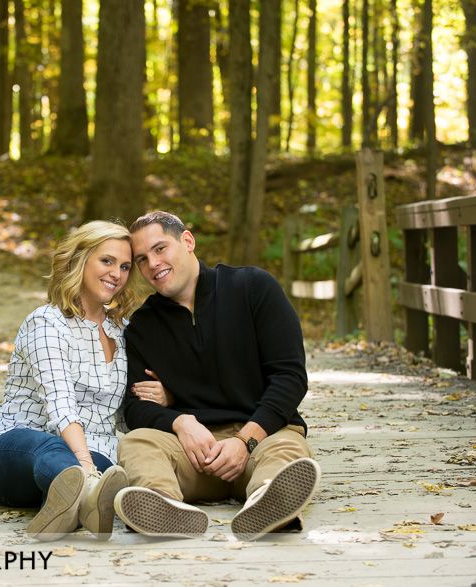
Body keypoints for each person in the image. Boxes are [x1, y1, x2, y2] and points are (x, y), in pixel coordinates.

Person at [114, 211, 321, 541]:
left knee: (285, 451)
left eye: (160, 249)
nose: (152, 264)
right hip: (196, 451)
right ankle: (163, 508)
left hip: (262, 437)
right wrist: (180, 422)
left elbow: (290, 376)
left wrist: (245, 440)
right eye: (141, 259)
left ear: (187, 241)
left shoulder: (252, 288)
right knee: (137, 443)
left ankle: (268, 501)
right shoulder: (143, 327)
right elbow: (134, 408)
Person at [0, 221, 150, 541]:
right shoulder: (47, 323)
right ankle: (85, 495)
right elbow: (60, 402)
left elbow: (123, 413)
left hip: (94, 455)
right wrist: (86, 469)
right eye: (106, 261)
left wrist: (163, 400)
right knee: (53, 448)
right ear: (80, 259)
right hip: (16, 453)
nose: (116, 274)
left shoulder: (123, 331)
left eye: (124, 266)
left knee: (109, 468)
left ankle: (72, 505)